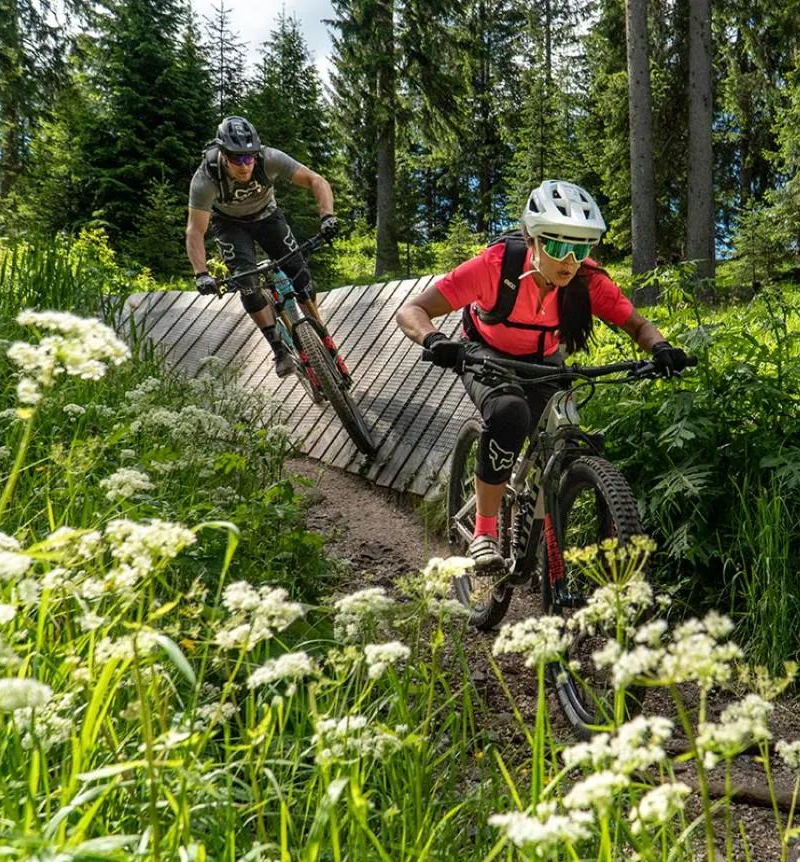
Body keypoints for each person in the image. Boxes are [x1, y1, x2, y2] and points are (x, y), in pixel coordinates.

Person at [396, 179, 690, 573]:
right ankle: (484, 532)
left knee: (566, 426)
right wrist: (435, 339)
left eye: (581, 248)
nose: (570, 260)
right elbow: (412, 310)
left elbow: (638, 326)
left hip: (543, 357)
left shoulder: (588, 282)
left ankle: (545, 516)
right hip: (485, 351)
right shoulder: (494, 266)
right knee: (509, 414)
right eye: (557, 246)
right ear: (532, 239)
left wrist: (661, 349)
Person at [186, 115, 340, 378]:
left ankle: (318, 328)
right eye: (237, 159)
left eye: (249, 157)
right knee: (247, 283)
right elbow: (195, 230)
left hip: (268, 216)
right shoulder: (206, 178)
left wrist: (327, 216)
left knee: (299, 272)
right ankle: (278, 348)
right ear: (223, 154)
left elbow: (317, 180)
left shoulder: (269, 158)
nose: (245, 165)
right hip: (230, 225)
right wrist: (201, 274)